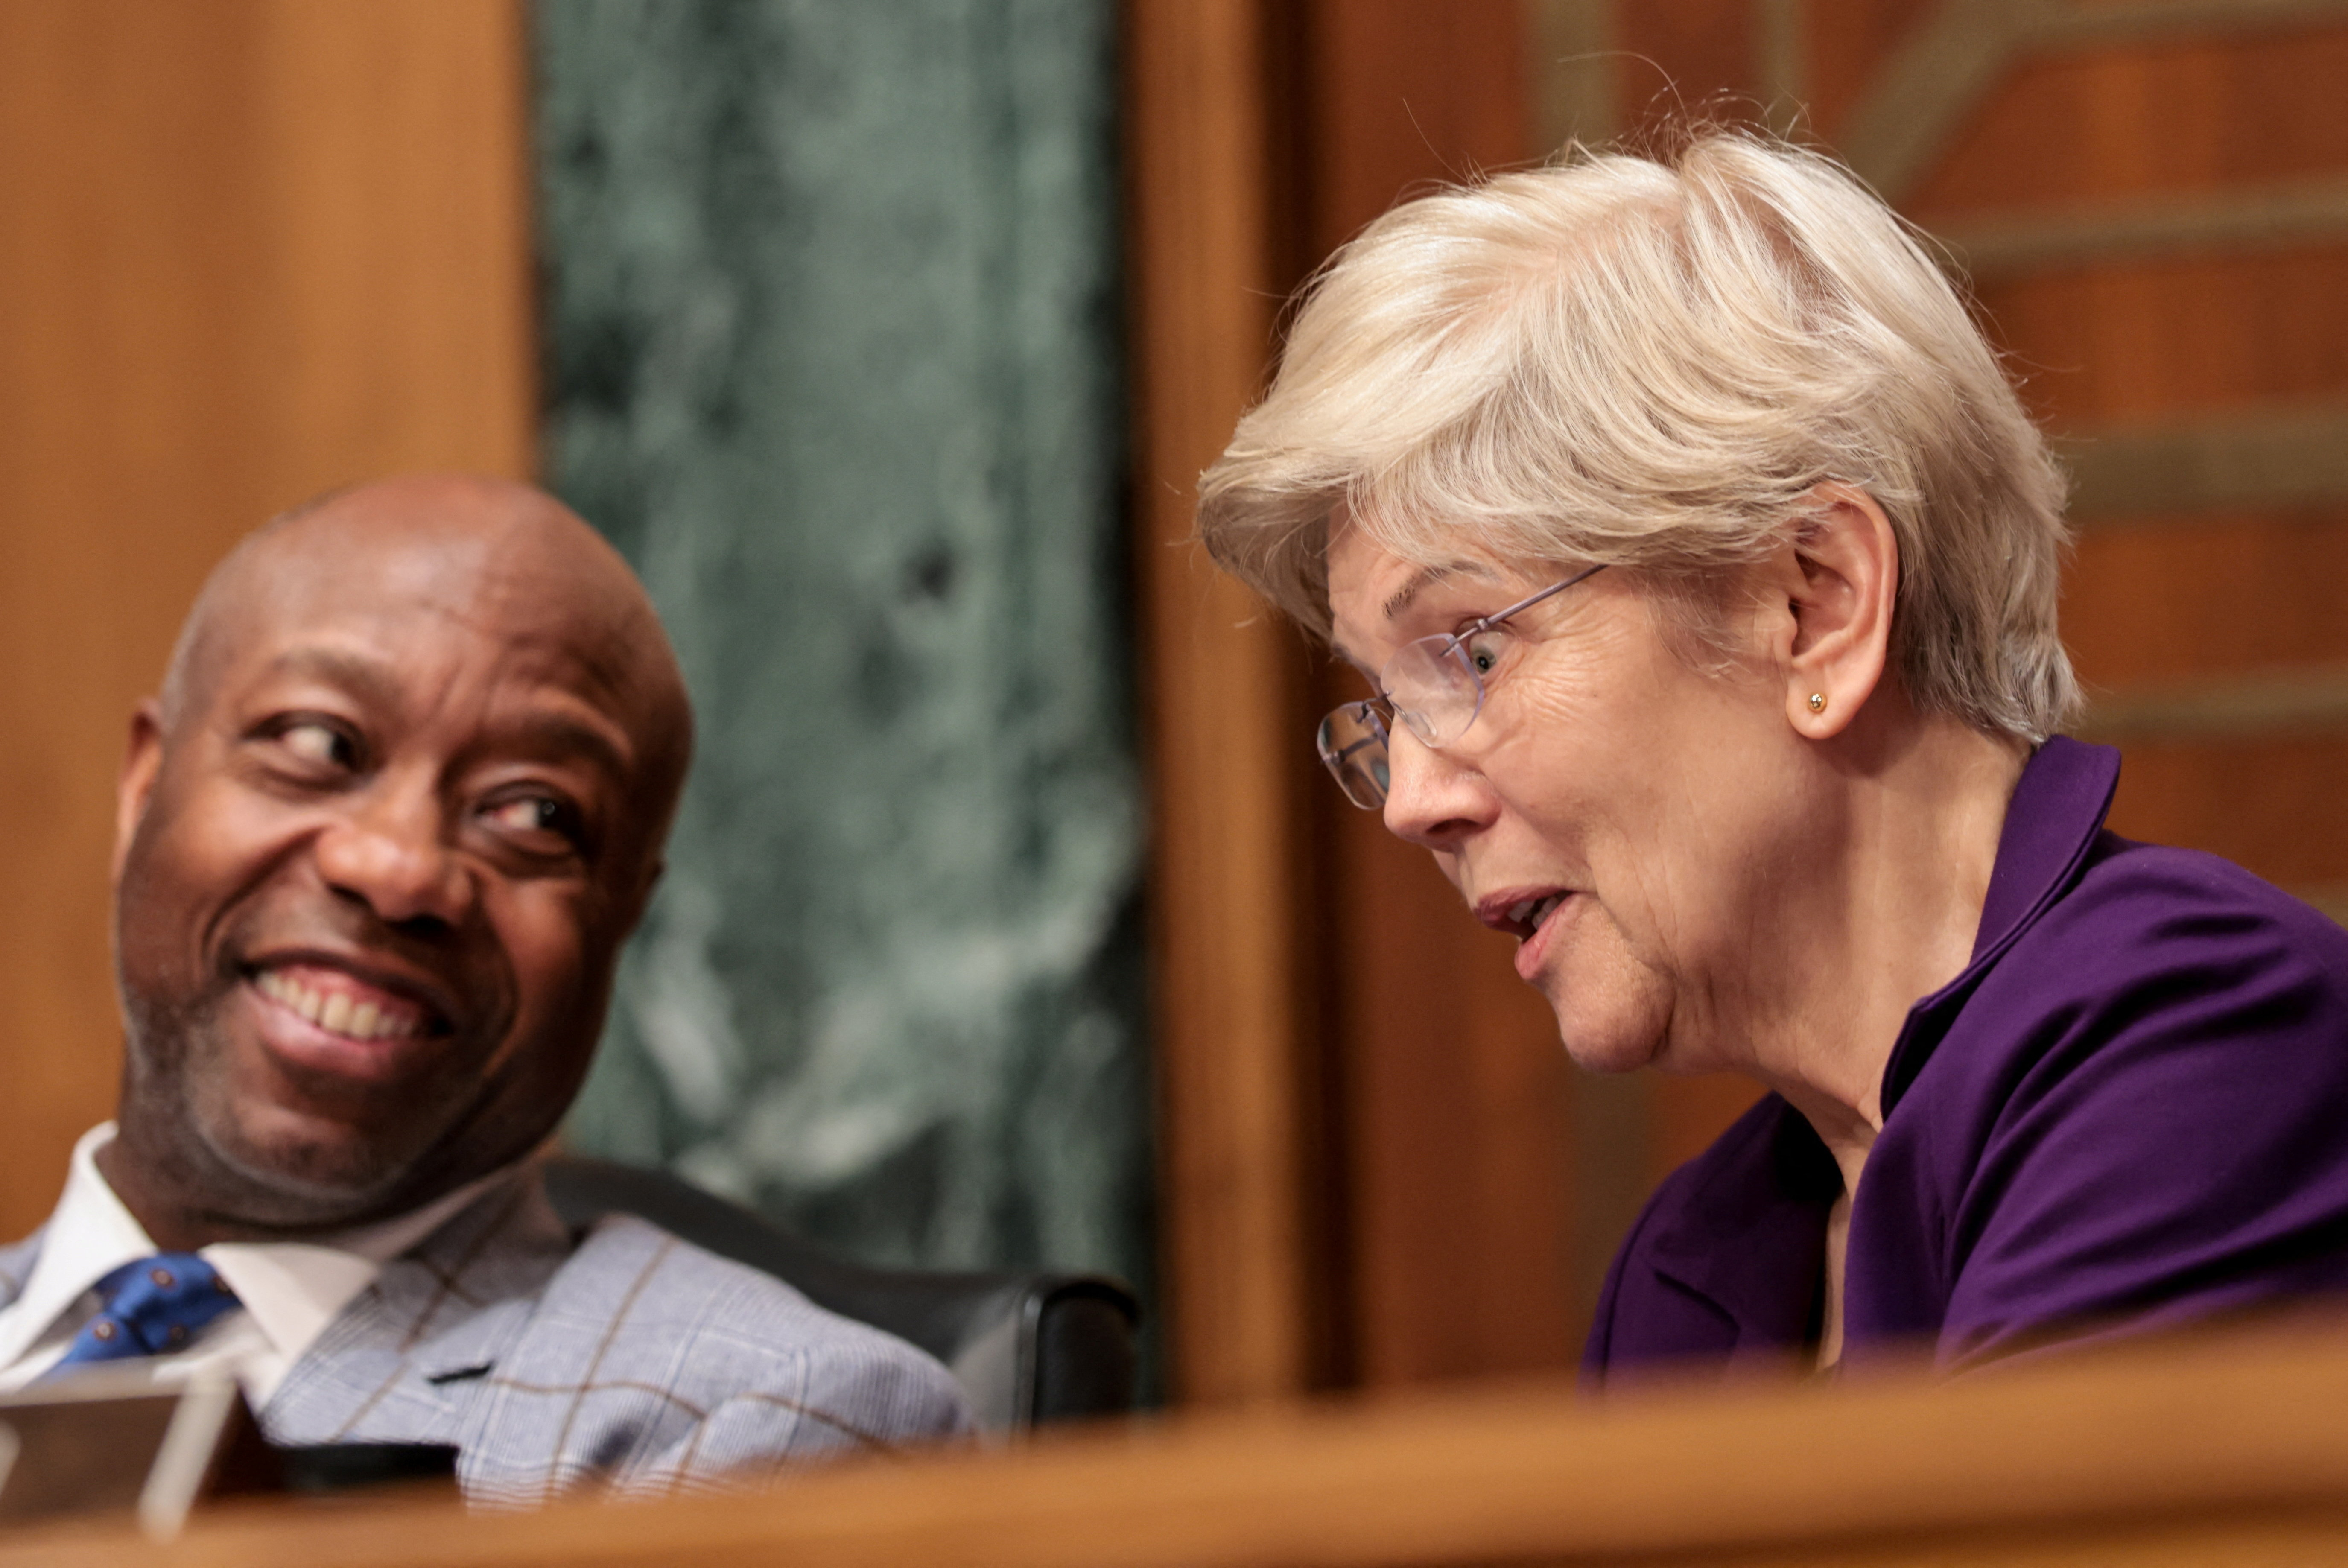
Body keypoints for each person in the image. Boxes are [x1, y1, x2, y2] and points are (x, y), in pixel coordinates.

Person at [1197, 131, 2348, 1380]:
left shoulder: (2199, 1047)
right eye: (1384, 708)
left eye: (1465, 654)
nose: (1409, 804)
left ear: (1816, 604)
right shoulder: (1686, 1264)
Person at [0, 475, 969, 1501]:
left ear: (623, 915)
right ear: (144, 789)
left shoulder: (775, 1422)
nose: (398, 867)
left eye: (535, 814)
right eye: (323, 745)